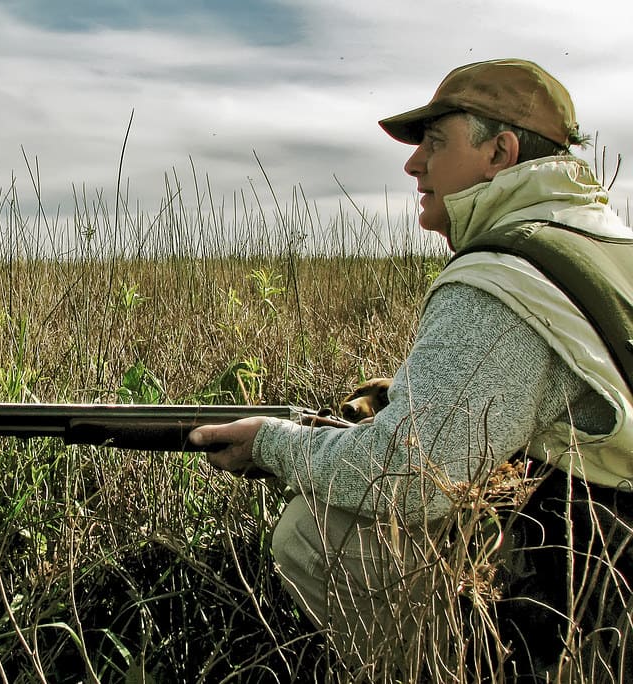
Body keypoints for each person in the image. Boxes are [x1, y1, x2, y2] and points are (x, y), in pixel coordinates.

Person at [190, 58, 633, 680]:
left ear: (499, 152)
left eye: (434, 142)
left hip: (600, 605)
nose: (412, 164)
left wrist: (273, 444)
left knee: (318, 533)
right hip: (606, 553)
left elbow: (408, 478)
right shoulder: (608, 247)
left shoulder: (503, 280)